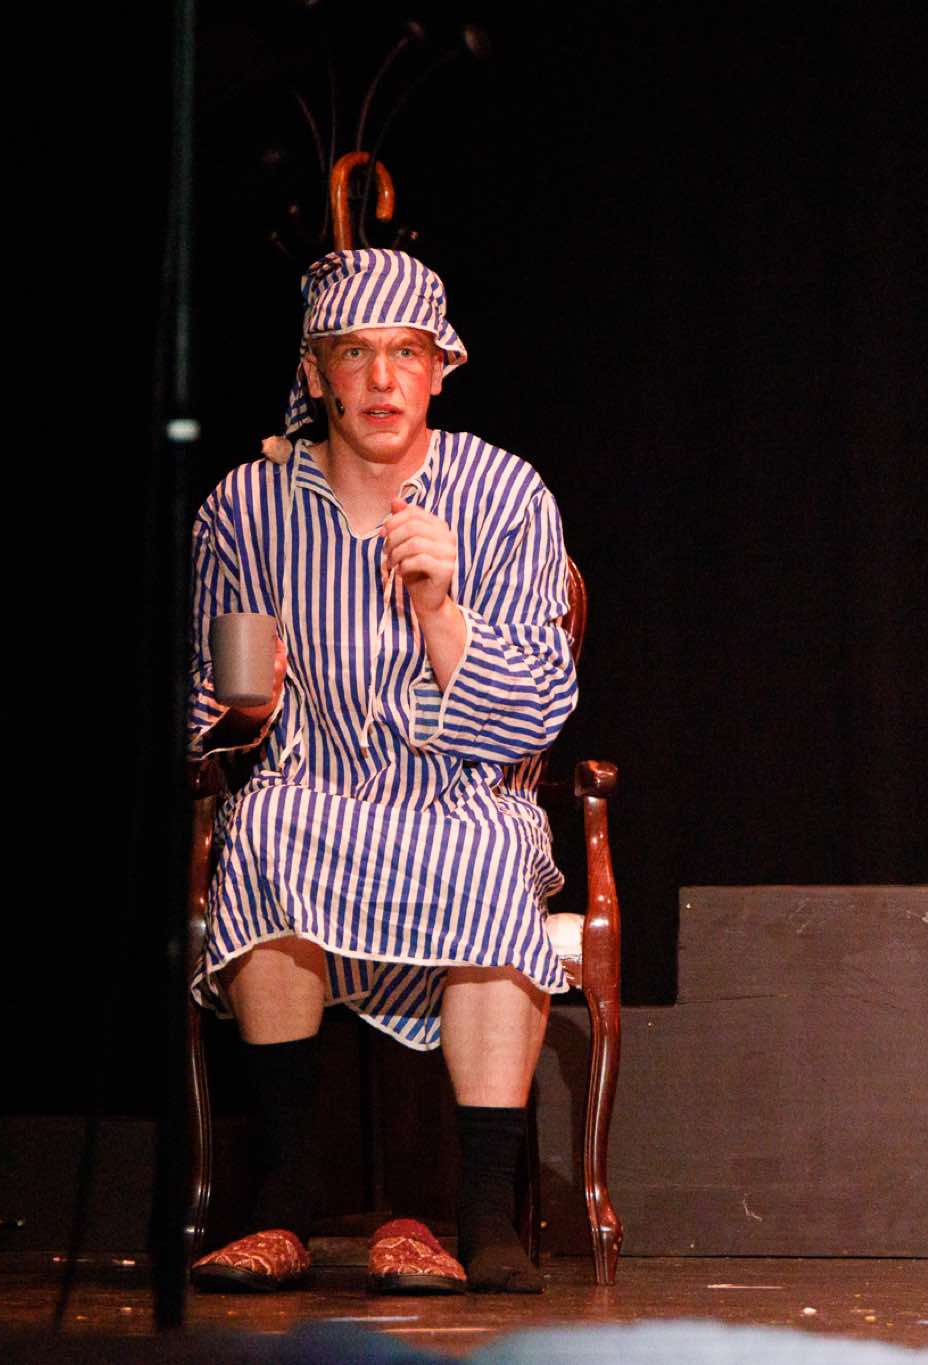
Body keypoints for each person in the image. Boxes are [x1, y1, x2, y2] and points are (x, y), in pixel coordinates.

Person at [187, 249, 578, 1295]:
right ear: (314, 372)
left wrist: (439, 608)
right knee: (263, 831)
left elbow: (536, 709)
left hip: (458, 794)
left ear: (439, 368)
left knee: (489, 856)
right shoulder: (247, 506)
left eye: (405, 352)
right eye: (353, 352)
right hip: (313, 786)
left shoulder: (504, 494)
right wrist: (246, 707)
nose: (380, 378)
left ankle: (482, 1214)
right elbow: (214, 699)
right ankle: (284, 1202)